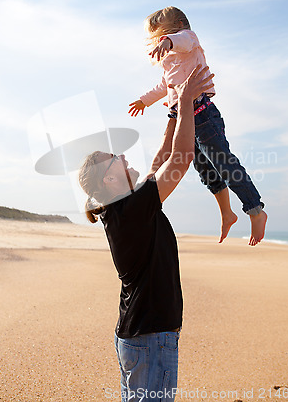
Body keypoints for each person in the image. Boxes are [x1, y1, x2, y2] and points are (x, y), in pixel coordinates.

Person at [79, 66, 214, 402]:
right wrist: (184, 103)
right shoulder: (130, 211)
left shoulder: (126, 207)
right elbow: (180, 161)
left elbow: (162, 157)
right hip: (150, 337)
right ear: (109, 180)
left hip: (139, 336)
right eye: (115, 159)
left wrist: (172, 110)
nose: (124, 156)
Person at [128, 6, 267, 246]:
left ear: (179, 25)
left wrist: (169, 41)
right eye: (159, 37)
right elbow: (164, 86)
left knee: (223, 161)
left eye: (166, 33)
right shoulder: (170, 62)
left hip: (203, 114)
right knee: (205, 170)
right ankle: (226, 212)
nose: (161, 41)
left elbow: (181, 40)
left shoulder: (189, 39)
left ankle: (255, 209)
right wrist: (145, 100)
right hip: (184, 120)